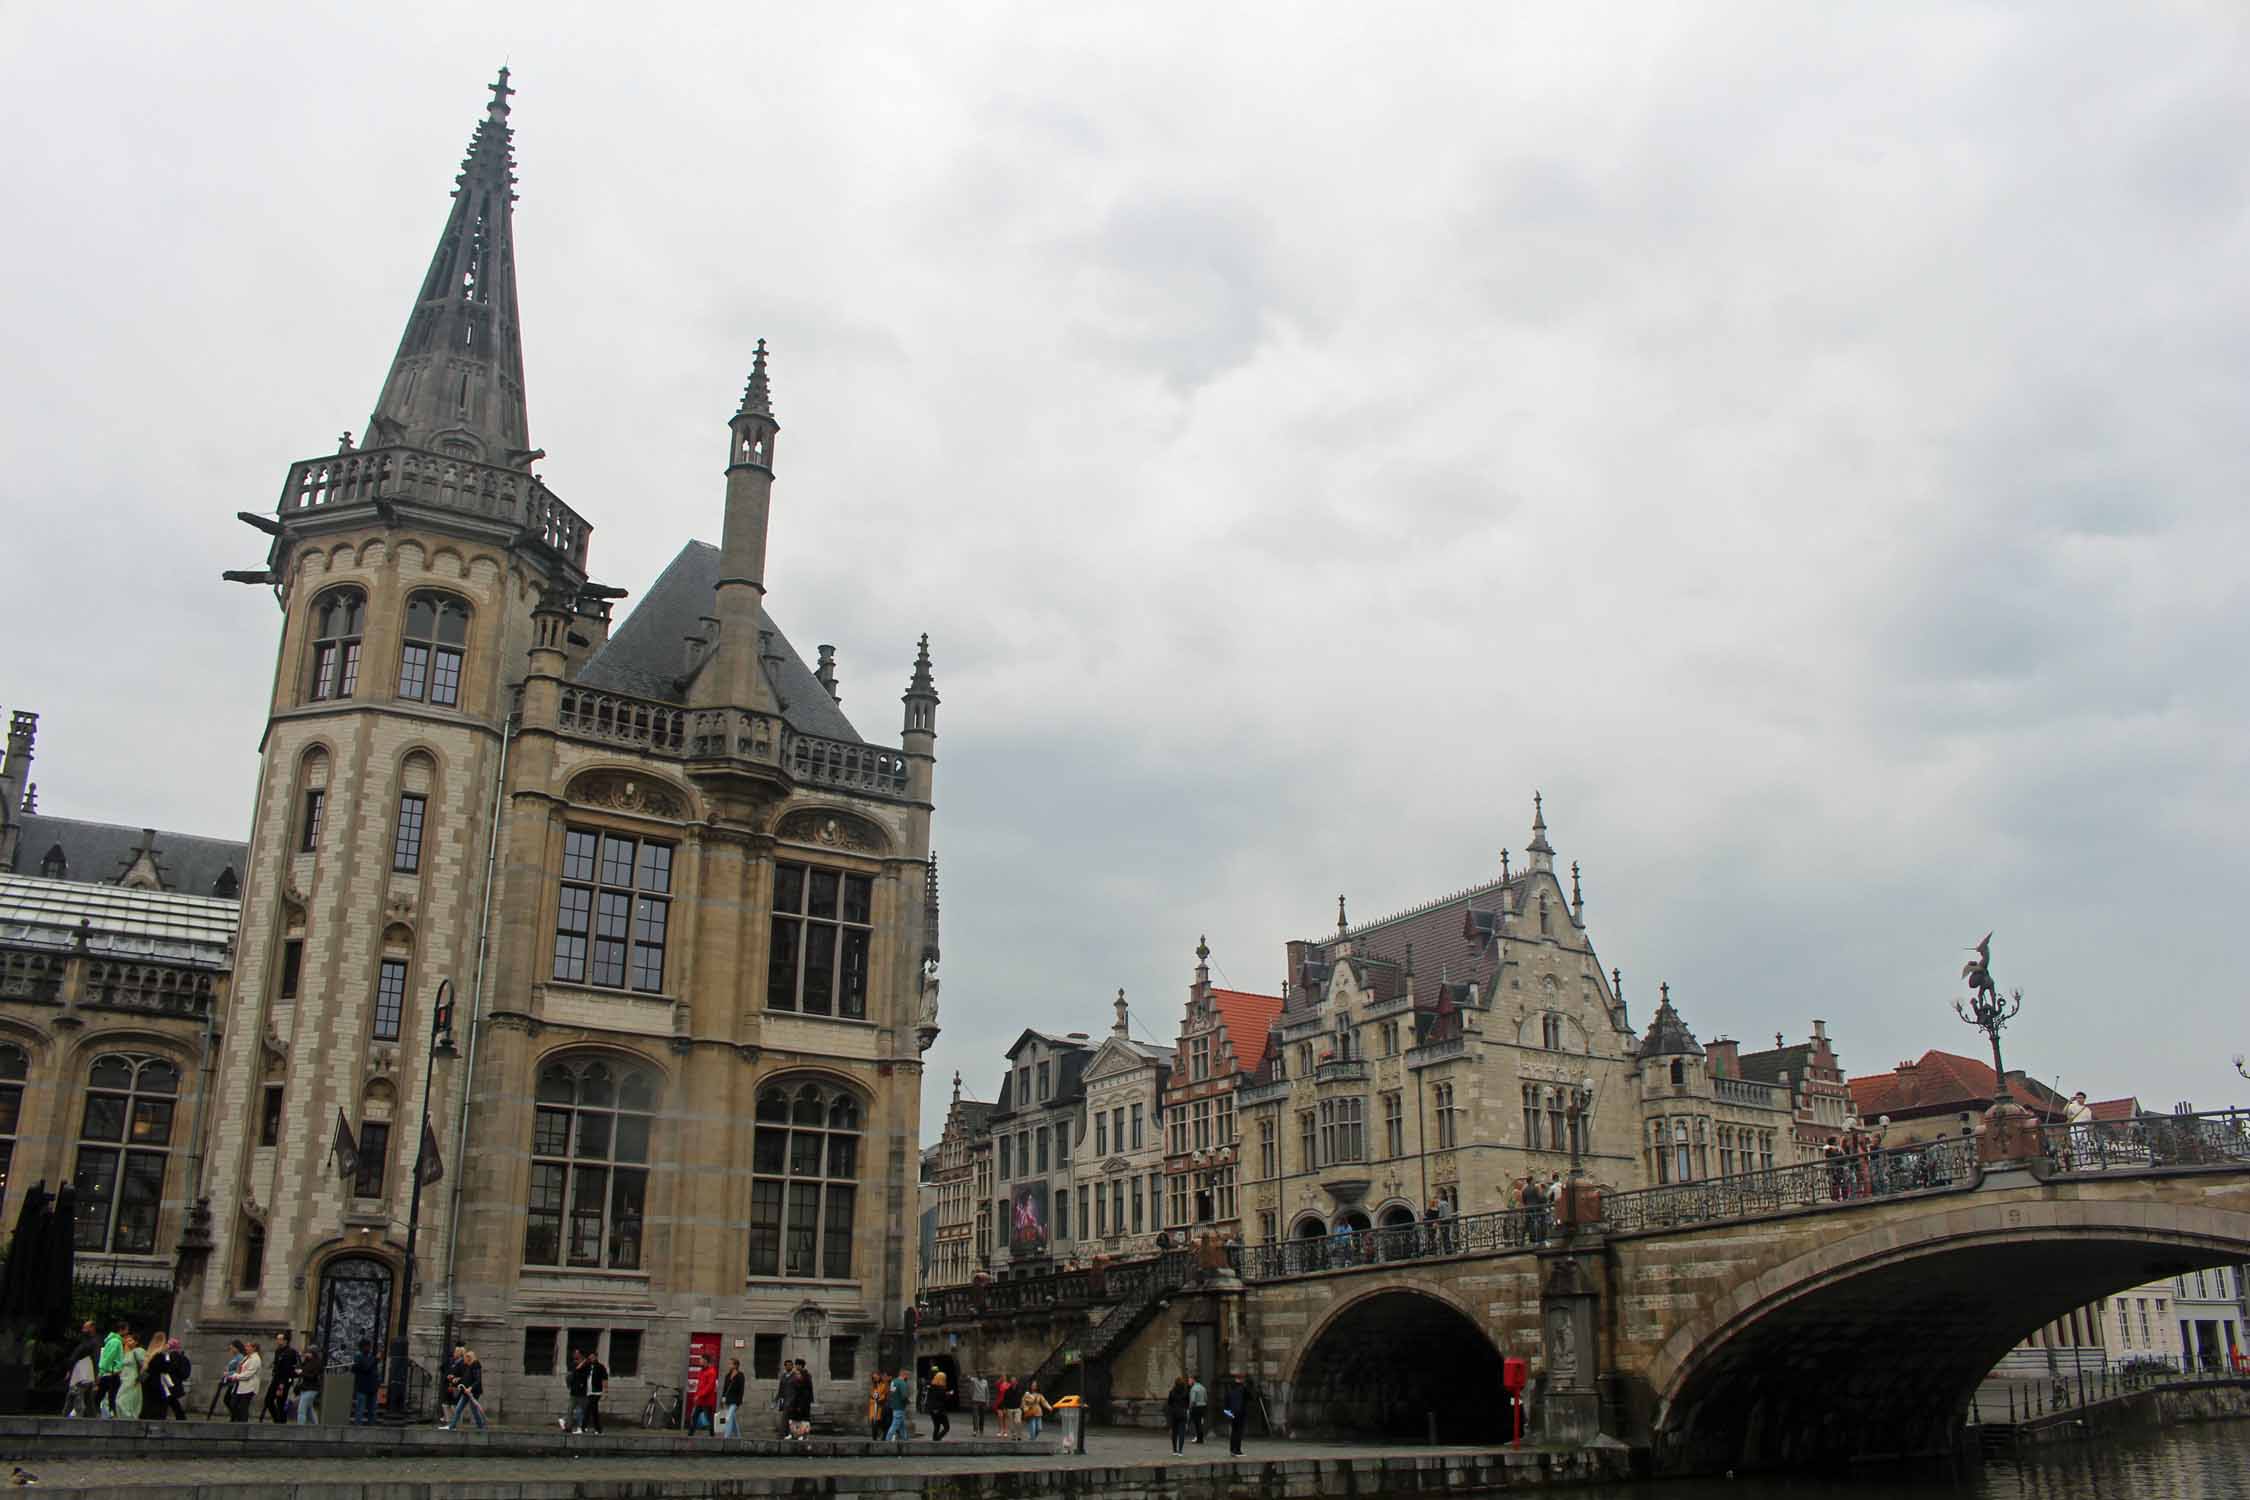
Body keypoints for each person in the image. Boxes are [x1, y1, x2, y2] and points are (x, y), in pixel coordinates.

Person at [441, 1348, 487, 1431]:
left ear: (469, 1358)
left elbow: (478, 1380)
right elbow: (465, 1377)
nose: (464, 1360)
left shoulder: (476, 1365)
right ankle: (452, 1426)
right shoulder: (467, 1366)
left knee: (474, 1410)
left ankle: (481, 1426)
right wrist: (456, 1378)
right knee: (459, 1408)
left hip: (473, 1392)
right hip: (466, 1391)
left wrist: (470, 1388)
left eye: (466, 1358)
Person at [63, 1322, 99, 1418]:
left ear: (92, 1328)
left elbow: (95, 1358)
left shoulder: (93, 1342)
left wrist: (96, 1374)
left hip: (84, 1371)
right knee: (87, 1398)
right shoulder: (85, 1341)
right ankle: (91, 1417)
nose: (83, 1330)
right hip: (80, 1370)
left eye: (85, 1328)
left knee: (76, 1394)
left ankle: (71, 1415)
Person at [263, 1331, 300, 1423]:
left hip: (283, 1381)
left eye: (280, 1339)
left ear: (286, 1341)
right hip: (276, 1379)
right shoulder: (278, 1351)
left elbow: (288, 1369)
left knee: (280, 1402)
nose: (278, 1341)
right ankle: (277, 1419)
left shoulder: (290, 1352)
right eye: (277, 1339)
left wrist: (282, 1384)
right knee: (268, 1400)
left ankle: (282, 1422)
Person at [114, 1333, 147, 1420]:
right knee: (122, 1400)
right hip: (124, 1379)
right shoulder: (127, 1353)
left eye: (131, 1340)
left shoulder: (138, 1351)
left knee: (122, 1401)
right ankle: (124, 1419)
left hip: (132, 1379)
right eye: (127, 1340)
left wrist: (140, 1376)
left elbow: (145, 1364)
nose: (128, 1342)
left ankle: (129, 1418)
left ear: (136, 1342)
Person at [228, 1341, 263, 1423]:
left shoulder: (255, 1359)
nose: (246, 1348)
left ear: (254, 1348)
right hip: (241, 1386)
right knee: (234, 1404)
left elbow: (248, 1374)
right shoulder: (247, 1357)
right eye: (246, 1346)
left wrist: (235, 1376)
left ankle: (243, 1424)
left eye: (248, 1346)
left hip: (248, 1387)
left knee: (243, 1407)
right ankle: (237, 1421)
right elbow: (241, 1368)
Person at [97, 1322, 126, 1417]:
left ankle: (109, 1413)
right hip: (111, 1372)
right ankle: (111, 1414)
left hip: (110, 1372)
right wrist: (102, 1371)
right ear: (121, 1330)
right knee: (109, 1396)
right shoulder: (116, 1342)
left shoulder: (113, 1341)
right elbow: (108, 1357)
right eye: (126, 1329)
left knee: (104, 1395)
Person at [1220, 1370, 1251, 1456]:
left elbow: (1226, 1402)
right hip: (1240, 1413)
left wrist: (1228, 1413)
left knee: (1234, 1431)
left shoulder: (1229, 1388)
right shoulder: (1243, 1388)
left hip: (1232, 1413)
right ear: (1242, 1380)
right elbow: (1250, 1397)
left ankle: (1232, 1449)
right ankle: (1237, 1450)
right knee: (1238, 1432)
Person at [349, 1340, 380, 1425]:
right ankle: (358, 1427)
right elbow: (366, 1368)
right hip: (362, 1387)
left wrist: (377, 1383)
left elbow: (374, 1371)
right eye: (366, 1346)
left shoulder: (371, 1358)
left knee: (372, 1410)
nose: (368, 1348)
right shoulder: (358, 1357)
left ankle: (371, 1426)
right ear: (361, 1348)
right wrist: (375, 1360)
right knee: (360, 1410)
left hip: (372, 1388)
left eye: (369, 1346)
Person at [581, 1345, 608, 1434]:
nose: (591, 1358)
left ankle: (583, 1427)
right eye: (590, 1357)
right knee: (594, 1410)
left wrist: (605, 1391)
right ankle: (598, 1429)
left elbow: (604, 1379)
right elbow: (578, 1369)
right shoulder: (587, 1366)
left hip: (596, 1392)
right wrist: (585, 1361)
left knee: (588, 1408)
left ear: (596, 1357)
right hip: (589, 1391)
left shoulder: (601, 1367)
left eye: (593, 1357)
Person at [785, 1358, 813, 1441]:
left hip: (803, 1400)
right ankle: (793, 1434)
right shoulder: (796, 1374)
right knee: (794, 1418)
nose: (796, 1366)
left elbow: (807, 1389)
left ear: (801, 1365)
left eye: (797, 1364)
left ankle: (803, 1435)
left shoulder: (806, 1375)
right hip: (796, 1400)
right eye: (796, 1364)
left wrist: (803, 1402)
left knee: (803, 1419)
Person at [689, 1358, 718, 1434]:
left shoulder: (711, 1372)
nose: (700, 1363)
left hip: (707, 1400)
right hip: (701, 1400)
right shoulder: (702, 1371)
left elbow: (709, 1387)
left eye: (701, 1361)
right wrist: (695, 1387)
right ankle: (691, 1433)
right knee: (695, 1416)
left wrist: (699, 1395)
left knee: (708, 1417)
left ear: (706, 1362)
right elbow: (701, 1385)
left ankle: (712, 1433)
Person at [718, 1357, 744, 1440]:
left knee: (728, 1418)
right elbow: (725, 1388)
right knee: (733, 1419)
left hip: (735, 1401)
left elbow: (741, 1389)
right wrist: (722, 1398)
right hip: (728, 1399)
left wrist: (739, 1402)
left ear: (735, 1365)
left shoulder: (740, 1375)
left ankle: (726, 1437)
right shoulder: (727, 1375)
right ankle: (738, 1436)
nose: (729, 1365)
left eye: (731, 1363)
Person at [292, 1346, 320, 1424]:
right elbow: (301, 1367)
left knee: (301, 1409)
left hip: (312, 1388)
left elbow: (313, 1376)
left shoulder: (317, 1363)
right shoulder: (307, 1361)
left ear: (313, 1353)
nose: (306, 1354)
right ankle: (316, 1426)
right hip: (305, 1387)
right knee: (309, 1409)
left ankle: (300, 1429)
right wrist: (300, 1359)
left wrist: (302, 1373)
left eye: (308, 1352)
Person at [885, 1366, 913, 1442]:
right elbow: (904, 1396)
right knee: (895, 1425)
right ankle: (887, 1440)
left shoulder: (894, 1381)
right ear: (904, 1374)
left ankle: (906, 1439)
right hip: (900, 1407)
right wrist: (908, 1401)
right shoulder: (902, 1383)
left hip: (894, 1406)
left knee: (901, 1425)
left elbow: (891, 1393)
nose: (908, 1377)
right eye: (907, 1375)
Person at [565, 1348, 590, 1432]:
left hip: (582, 1393)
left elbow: (586, 1376)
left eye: (576, 1353)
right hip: (574, 1392)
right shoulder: (573, 1364)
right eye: (574, 1353)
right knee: (570, 1410)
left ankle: (581, 1427)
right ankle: (568, 1427)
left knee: (581, 1411)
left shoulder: (586, 1364)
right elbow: (570, 1375)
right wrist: (569, 1384)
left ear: (580, 1355)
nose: (574, 1355)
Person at [1165, 1375, 1191, 1455]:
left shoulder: (1172, 1392)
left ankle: (1174, 1450)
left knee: (1174, 1433)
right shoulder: (1186, 1392)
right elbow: (1188, 1403)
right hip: (1182, 1413)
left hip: (1174, 1413)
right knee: (1181, 1433)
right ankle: (1180, 1451)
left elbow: (1169, 1403)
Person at [926, 1367, 950, 1441]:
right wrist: (948, 1394)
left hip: (932, 1410)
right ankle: (938, 1438)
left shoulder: (931, 1387)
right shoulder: (941, 1388)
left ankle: (935, 1439)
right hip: (939, 1410)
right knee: (946, 1427)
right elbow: (943, 1398)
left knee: (937, 1426)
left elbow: (930, 1398)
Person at [867, 1369, 889, 1440]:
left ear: (879, 1377)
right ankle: (875, 1436)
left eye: (876, 1377)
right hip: (873, 1405)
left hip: (880, 1405)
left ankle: (883, 1435)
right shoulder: (873, 1385)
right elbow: (871, 1394)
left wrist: (880, 1399)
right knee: (874, 1422)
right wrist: (873, 1397)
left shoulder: (883, 1384)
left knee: (881, 1422)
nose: (875, 1379)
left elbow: (885, 1394)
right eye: (874, 1378)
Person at [966, 1371, 988, 1436]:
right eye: (979, 1374)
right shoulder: (974, 1380)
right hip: (975, 1401)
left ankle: (981, 1429)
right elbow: (969, 1378)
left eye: (982, 1374)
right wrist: (967, 1375)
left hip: (983, 1401)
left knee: (982, 1416)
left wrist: (987, 1401)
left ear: (983, 1375)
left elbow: (987, 1392)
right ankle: (975, 1430)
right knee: (975, 1416)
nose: (980, 1375)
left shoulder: (985, 1382)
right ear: (977, 1375)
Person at [1188, 1374, 1207, 1443]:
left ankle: (1198, 1438)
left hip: (1196, 1407)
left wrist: (1190, 1408)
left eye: (1189, 1380)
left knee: (1195, 1423)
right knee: (1200, 1423)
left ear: (1193, 1380)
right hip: (1203, 1407)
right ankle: (1200, 1438)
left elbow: (1192, 1400)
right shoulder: (1203, 1387)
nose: (1189, 1381)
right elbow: (1206, 1398)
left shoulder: (1193, 1389)